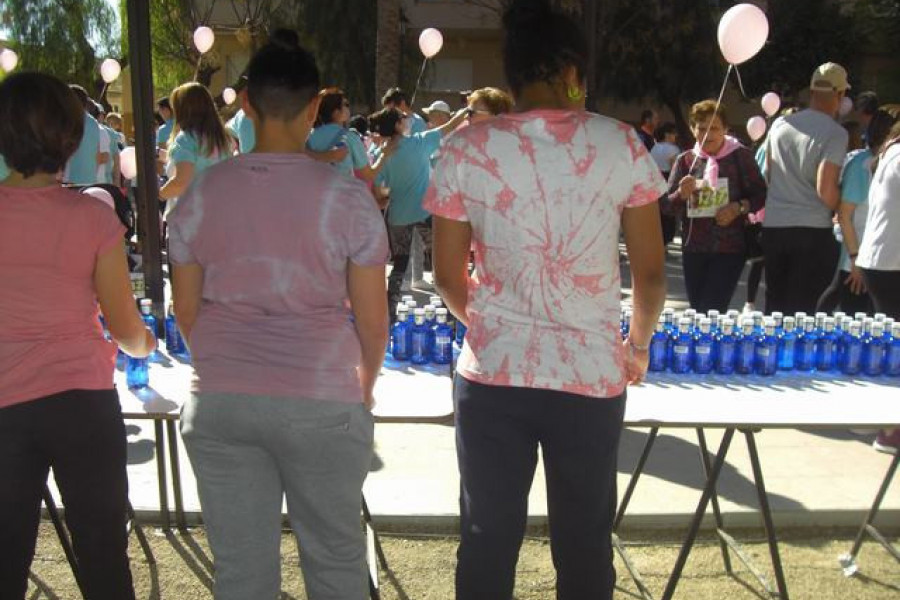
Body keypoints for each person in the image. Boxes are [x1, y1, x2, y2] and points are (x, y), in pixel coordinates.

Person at [425, 2, 667, 598]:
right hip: (589, 377)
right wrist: (635, 347)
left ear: (512, 74)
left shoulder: (467, 147)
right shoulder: (621, 144)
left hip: (493, 376)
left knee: (487, 537)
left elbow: (447, 276)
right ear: (572, 71)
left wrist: (490, 322)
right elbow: (653, 274)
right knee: (585, 543)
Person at [169, 30, 389, 600]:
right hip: (322, 396)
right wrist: (362, 392)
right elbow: (371, 321)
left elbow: (186, 308)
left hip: (220, 400)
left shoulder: (199, 194)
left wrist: (223, 366)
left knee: (241, 573)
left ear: (246, 103)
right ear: (315, 107)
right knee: (337, 562)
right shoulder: (347, 200)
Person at [0, 71, 155, 600]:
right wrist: (145, 346)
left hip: (5, 409)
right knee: (103, 553)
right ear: (71, 138)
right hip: (82, 404)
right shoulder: (92, 214)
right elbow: (126, 327)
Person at [661, 100, 767, 312]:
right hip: (694, 248)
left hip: (730, 248)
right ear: (692, 129)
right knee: (697, 311)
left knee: (712, 310)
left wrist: (738, 207)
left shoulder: (740, 156)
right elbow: (666, 207)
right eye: (701, 128)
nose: (708, 134)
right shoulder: (685, 161)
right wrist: (681, 194)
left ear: (726, 129)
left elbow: (761, 194)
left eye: (715, 128)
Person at [762, 62, 849, 314]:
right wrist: (844, 210)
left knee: (774, 307)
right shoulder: (836, 133)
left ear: (811, 91)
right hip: (812, 230)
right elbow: (825, 187)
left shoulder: (780, 125)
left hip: (775, 225)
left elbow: (769, 172)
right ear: (840, 95)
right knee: (804, 312)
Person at [369, 103, 468, 309]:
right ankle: (447, 311)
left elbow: (379, 192)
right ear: (397, 125)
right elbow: (450, 126)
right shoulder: (420, 142)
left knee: (399, 264)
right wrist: (466, 110)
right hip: (425, 213)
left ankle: (392, 311)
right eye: (404, 119)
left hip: (397, 216)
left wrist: (392, 196)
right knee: (439, 263)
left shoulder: (383, 154)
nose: (408, 120)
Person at [817, 110, 896, 314]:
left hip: (866, 258)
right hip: (858, 261)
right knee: (855, 322)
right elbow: (844, 215)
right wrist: (855, 258)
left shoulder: (883, 160)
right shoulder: (863, 165)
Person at [158, 82, 232, 211]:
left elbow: (181, 181)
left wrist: (159, 194)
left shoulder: (186, 139)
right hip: (221, 211)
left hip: (192, 217)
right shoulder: (222, 138)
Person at [307, 88, 392, 181]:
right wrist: (384, 154)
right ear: (336, 113)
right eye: (345, 105)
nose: (348, 108)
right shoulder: (350, 137)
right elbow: (368, 175)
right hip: (342, 192)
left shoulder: (308, 137)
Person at [63, 84, 102, 185]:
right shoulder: (94, 122)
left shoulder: (68, 120)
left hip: (69, 181)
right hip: (90, 180)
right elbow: (97, 154)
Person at [651, 122, 681, 247]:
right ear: (667, 134)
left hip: (654, 181)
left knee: (657, 214)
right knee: (668, 214)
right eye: (673, 133)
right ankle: (664, 244)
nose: (675, 136)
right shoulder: (673, 149)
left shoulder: (654, 148)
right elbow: (676, 169)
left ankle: (657, 243)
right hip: (668, 181)